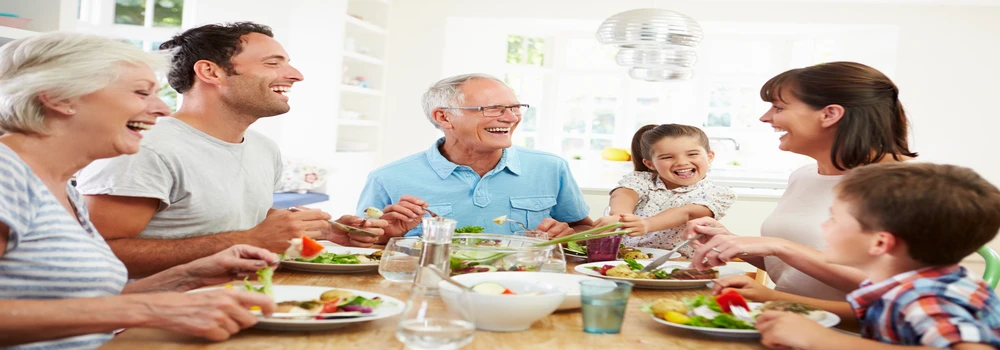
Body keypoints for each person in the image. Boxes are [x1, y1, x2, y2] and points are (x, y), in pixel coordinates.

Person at [0, 32, 277, 349]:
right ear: (59, 97)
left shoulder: (61, 188)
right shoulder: (6, 173)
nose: (162, 109)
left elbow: (86, 306)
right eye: (141, 92)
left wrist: (185, 278)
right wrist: (149, 308)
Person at [76, 22, 386, 278]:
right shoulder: (145, 148)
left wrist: (326, 234)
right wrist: (247, 240)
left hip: (245, 304)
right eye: (273, 63)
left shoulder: (265, 149)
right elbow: (99, 254)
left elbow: (244, 224)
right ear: (211, 72)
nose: (296, 75)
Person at [684, 61, 917, 300]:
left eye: (778, 107)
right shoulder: (804, 176)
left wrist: (780, 260)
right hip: (783, 326)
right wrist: (732, 242)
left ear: (829, 114)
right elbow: (792, 270)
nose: (765, 117)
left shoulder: (907, 189)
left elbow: (895, 295)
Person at [747, 163, 1000, 350]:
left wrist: (822, 340)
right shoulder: (903, 281)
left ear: (880, 243)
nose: (825, 226)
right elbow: (865, 314)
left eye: (834, 218)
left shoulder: (926, 296)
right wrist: (776, 303)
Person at [356, 73, 593, 241]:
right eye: (493, 109)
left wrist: (568, 234)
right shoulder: (387, 178)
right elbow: (362, 245)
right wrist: (383, 237)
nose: (511, 118)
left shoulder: (550, 167)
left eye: (514, 107)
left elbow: (584, 229)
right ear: (444, 117)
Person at [593, 124, 735, 258]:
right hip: (626, 259)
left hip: (682, 265)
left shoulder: (717, 193)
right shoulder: (643, 180)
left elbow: (686, 213)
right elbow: (624, 194)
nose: (681, 162)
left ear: (709, 157)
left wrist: (647, 224)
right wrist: (619, 216)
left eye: (692, 154)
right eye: (667, 157)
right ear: (650, 164)